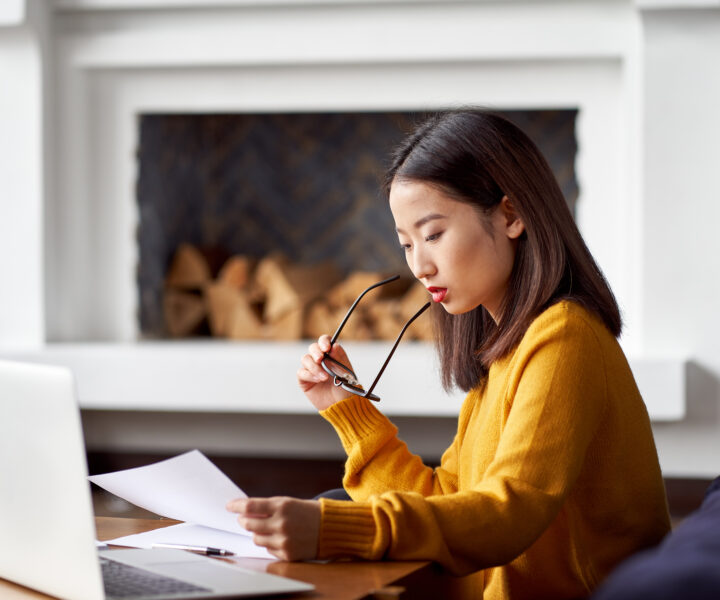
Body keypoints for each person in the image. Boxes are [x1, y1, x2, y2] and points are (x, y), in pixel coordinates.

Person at [226, 110, 671, 599]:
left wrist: (335, 529)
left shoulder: (565, 338)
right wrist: (345, 407)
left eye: (433, 234)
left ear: (510, 215)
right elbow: (449, 502)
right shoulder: (506, 350)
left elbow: (509, 513)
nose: (419, 264)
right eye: (406, 243)